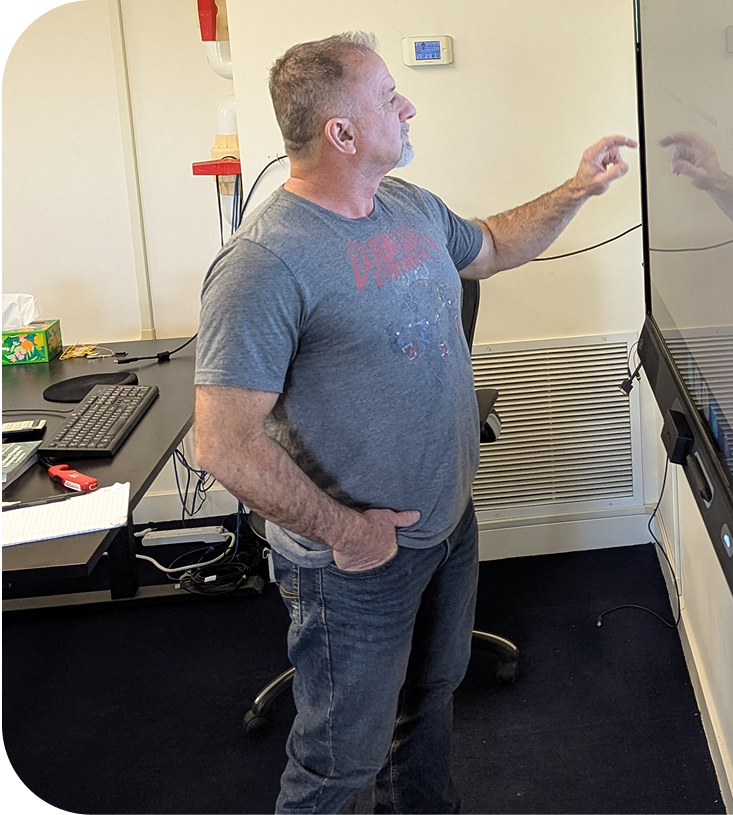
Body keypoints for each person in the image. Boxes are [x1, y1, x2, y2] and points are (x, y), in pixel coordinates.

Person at [193, 31, 636, 815]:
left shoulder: (406, 204)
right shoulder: (264, 261)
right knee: (338, 762)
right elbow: (223, 442)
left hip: (444, 523)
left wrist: (576, 190)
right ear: (342, 132)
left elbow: (494, 245)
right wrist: (346, 531)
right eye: (388, 96)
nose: (408, 106)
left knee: (428, 704)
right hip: (355, 562)